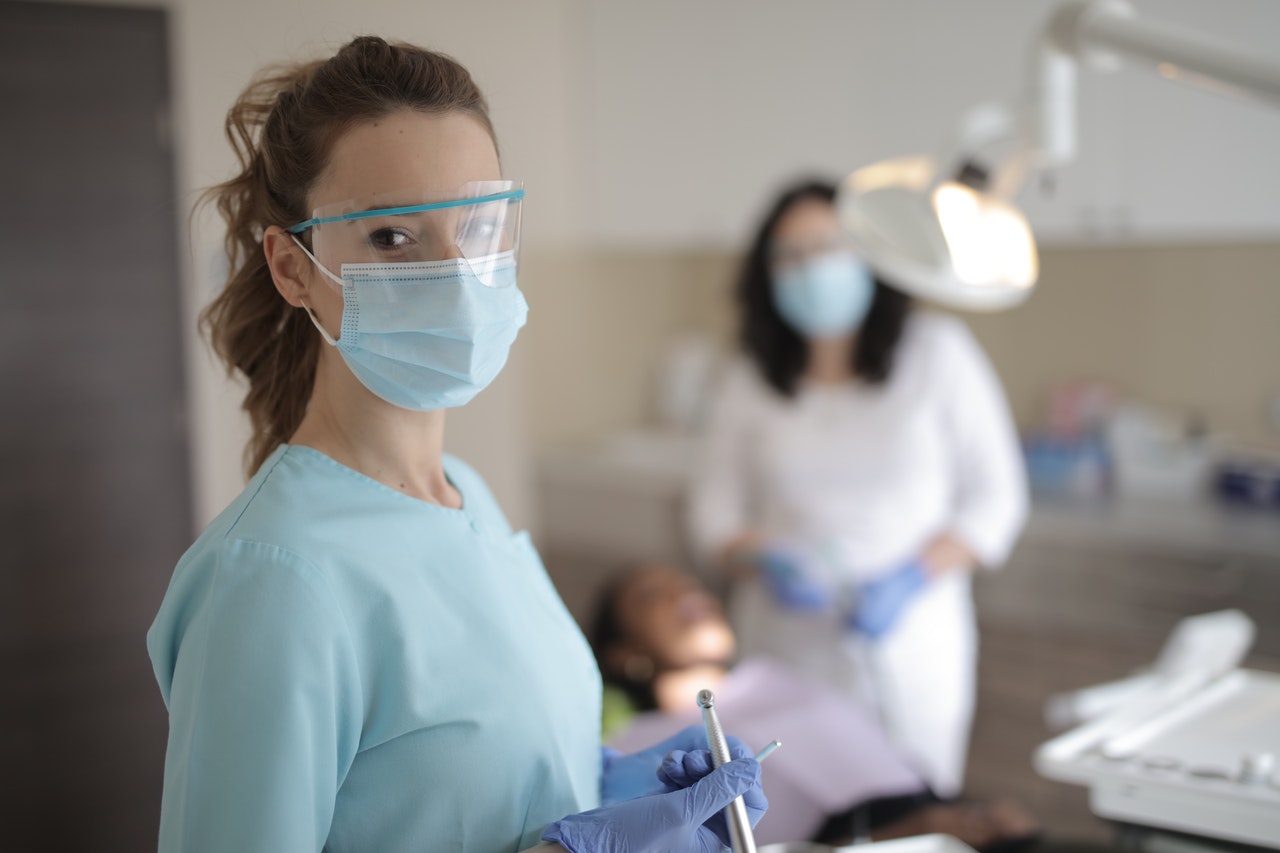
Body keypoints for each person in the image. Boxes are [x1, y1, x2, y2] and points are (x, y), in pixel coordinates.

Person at [146, 37, 765, 853]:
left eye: (477, 226)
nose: (455, 273)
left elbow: (463, 779)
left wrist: (612, 780)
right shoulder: (271, 578)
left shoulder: (467, 495)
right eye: (392, 239)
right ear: (292, 270)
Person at [688, 178, 1028, 797]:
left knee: (910, 813)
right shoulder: (749, 377)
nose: (809, 267)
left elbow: (997, 498)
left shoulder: (938, 355)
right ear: (765, 273)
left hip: (911, 650)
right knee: (789, 812)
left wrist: (913, 576)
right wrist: (758, 556)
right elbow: (712, 511)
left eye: (827, 246)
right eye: (789, 254)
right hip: (784, 649)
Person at [594, 561, 1042, 849]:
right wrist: (907, 835)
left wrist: (971, 811)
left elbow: (885, 766)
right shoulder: (639, 744)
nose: (684, 594)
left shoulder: (773, 676)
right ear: (622, 654)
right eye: (652, 595)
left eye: (687, 582)